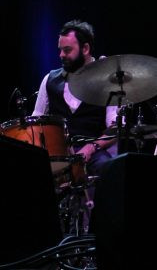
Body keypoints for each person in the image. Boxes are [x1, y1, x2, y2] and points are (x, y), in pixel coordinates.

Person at [32, 20, 119, 233]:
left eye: (67, 50)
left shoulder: (107, 81)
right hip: (60, 156)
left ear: (86, 48)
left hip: (95, 152)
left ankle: (97, 237)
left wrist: (90, 149)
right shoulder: (49, 80)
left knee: (108, 171)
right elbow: (36, 121)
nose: (61, 55)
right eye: (60, 50)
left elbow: (115, 128)